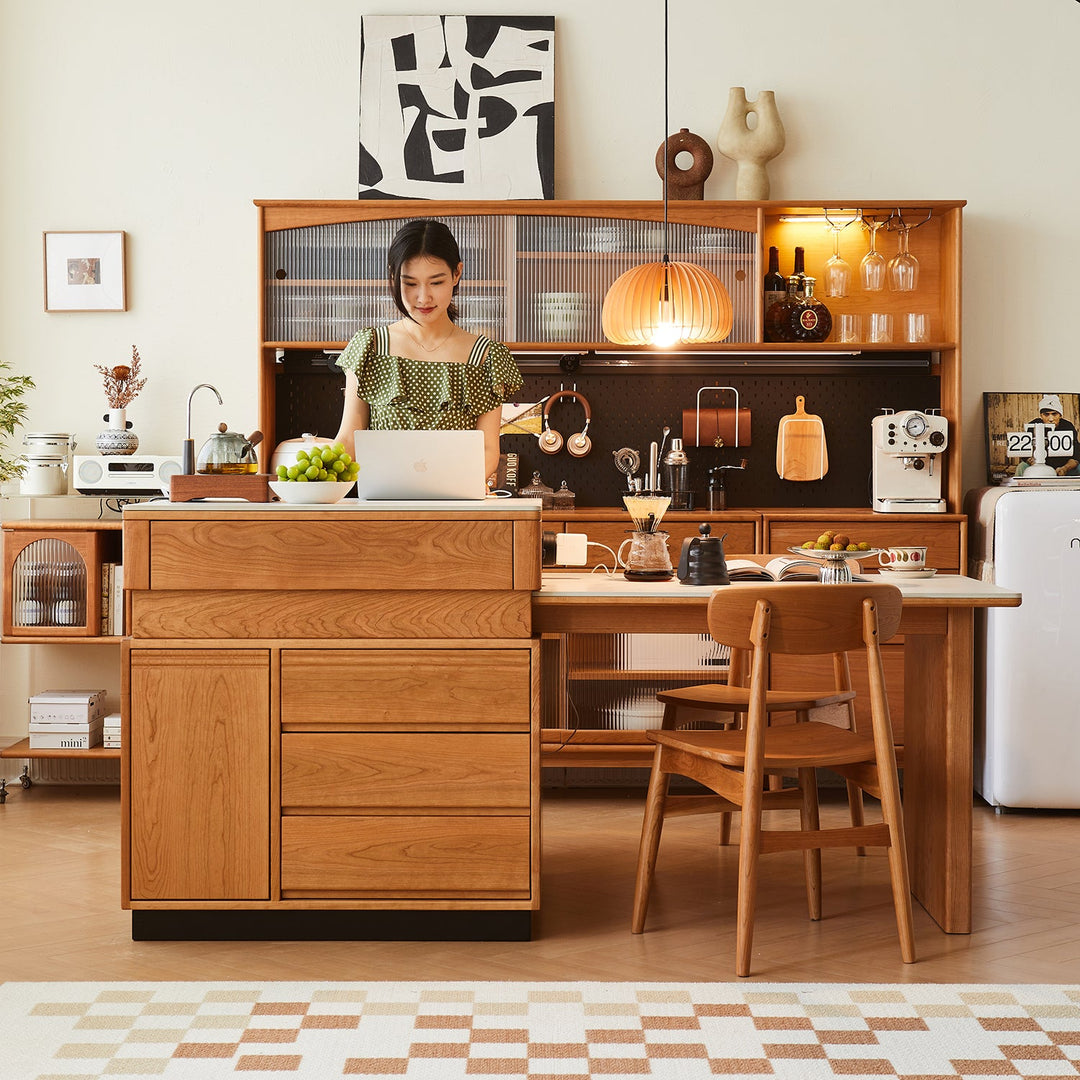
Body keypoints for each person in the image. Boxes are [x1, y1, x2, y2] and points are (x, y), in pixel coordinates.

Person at [333, 219, 522, 483]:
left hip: (456, 508)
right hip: (383, 506)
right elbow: (348, 437)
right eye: (410, 284)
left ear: (457, 274)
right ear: (393, 276)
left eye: (436, 282)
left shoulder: (486, 357)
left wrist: (450, 487)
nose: (423, 298)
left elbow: (488, 450)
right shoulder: (371, 347)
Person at [1018, 393, 1079, 476]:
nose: (1050, 419)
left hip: (1063, 466)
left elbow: (1076, 455)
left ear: (1060, 415)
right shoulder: (1033, 426)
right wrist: (1033, 463)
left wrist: (1065, 468)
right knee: (1022, 467)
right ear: (1041, 415)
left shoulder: (1068, 426)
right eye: (1046, 414)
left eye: (1054, 414)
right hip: (1038, 467)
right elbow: (1025, 452)